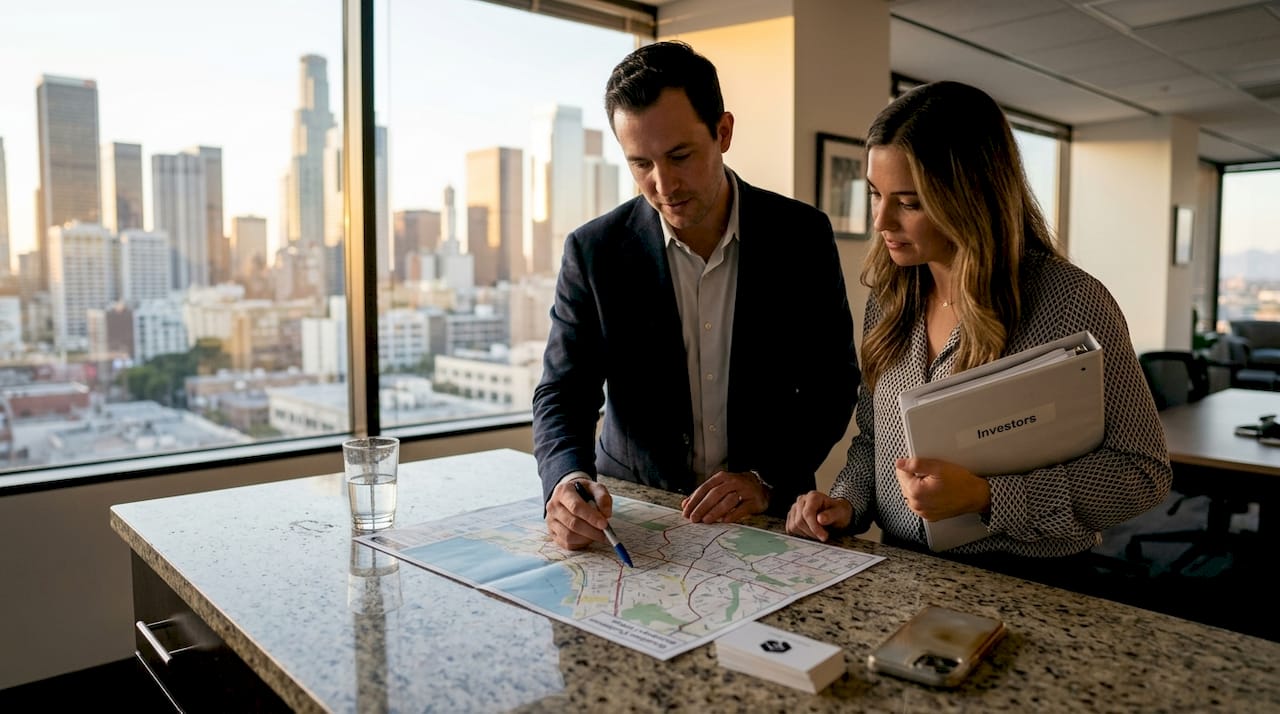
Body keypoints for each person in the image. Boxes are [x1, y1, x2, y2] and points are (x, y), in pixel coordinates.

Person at [785, 81, 1171, 580]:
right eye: (876, 194)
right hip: (906, 570)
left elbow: (1142, 472)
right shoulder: (889, 294)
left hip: (1035, 582)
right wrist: (845, 503)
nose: (880, 220)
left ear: (970, 195)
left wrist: (991, 496)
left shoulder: (1070, 300)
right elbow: (875, 439)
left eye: (910, 202)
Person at [534, 41, 859, 551]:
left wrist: (765, 478)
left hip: (773, 520)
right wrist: (564, 482)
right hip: (637, 520)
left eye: (680, 156)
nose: (663, 184)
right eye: (640, 163)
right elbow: (563, 392)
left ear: (723, 132)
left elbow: (832, 385)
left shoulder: (801, 236)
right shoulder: (593, 251)